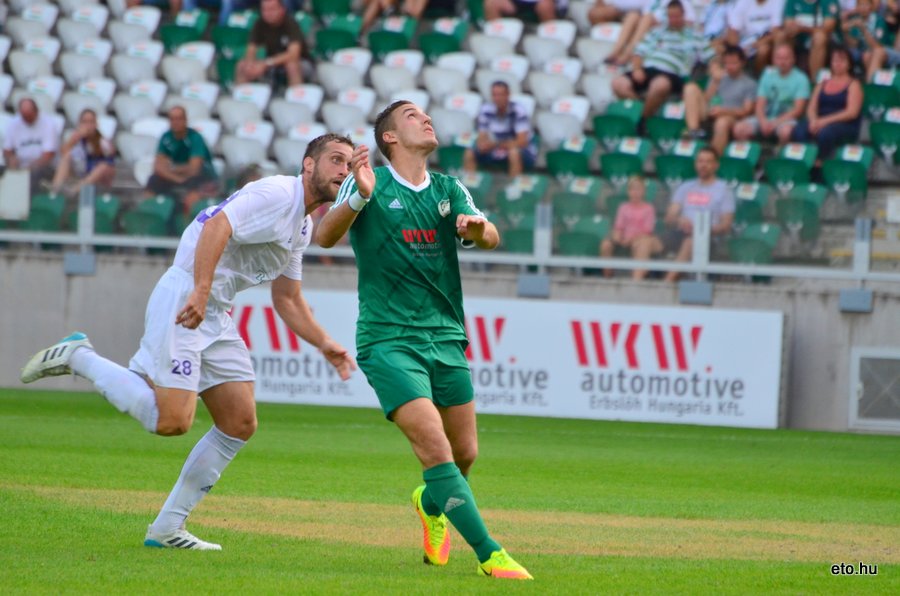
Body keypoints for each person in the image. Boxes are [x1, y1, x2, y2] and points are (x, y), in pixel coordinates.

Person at [21, 133, 357, 551]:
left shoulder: (302, 225)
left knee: (239, 421)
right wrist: (199, 290)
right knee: (172, 421)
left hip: (215, 310)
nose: (343, 170)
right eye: (335, 160)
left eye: (348, 164)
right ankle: (80, 356)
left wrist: (324, 343)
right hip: (188, 297)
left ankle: (166, 529)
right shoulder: (276, 193)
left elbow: (286, 298)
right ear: (308, 165)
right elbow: (217, 224)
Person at [315, 101, 532, 580]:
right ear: (389, 137)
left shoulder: (450, 188)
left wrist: (479, 230)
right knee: (435, 448)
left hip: (446, 334)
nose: (426, 118)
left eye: (426, 114)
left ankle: (430, 504)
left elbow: (491, 234)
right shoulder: (368, 181)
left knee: (465, 453)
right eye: (412, 115)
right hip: (388, 339)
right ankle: (490, 554)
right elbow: (324, 236)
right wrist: (357, 198)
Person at [611, 0, 714, 121]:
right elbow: (638, 53)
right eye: (670, 16)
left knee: (660, 84)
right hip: (648, 69)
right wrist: (637, 69)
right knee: (618, 84)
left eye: (676, 16)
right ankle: (643, 110)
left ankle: (643, 119)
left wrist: (715, 67)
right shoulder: (656, 32)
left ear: (683, 15)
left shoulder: (694, 36)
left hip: (673, 74)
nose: (673, 20)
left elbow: (711, 57)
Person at [663, 147, 735, 283]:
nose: (703, 165)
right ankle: (636, 285)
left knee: (691, 242)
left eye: (708, 162)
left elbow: (726, 225)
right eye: (700, 161)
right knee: (645, 241)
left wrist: (703, 229)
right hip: (680, 233)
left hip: (709, 238)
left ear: (716, 165)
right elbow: (669, 217)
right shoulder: (685, 187)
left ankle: (665, 284)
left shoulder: (724, 190)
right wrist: (680, 220)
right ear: (696, 164)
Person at [790, 45, 863, 161]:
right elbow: (811, 107)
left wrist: (824, 121)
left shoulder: (854, 85)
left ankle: (822, 162)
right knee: (800, 129)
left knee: (826, 133)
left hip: (843, 124)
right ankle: (803, 161)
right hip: (820, 120)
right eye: (835, 60)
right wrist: (814, 120)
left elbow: (851, 113)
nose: (838, 63)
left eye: (842, 60)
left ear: (849, 64)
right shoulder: (822, 83)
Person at [682, 45, 758, 154]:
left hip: (732, 116)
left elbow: (747, 111)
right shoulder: (719, 76)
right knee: (690, 88)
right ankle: (694, 131)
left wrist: (723, 111)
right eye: (726, 63)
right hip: (711, 111)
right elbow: (707, 99)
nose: (729, 66)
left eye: (733, 63)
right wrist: (715, 82)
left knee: (722, 122)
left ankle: (714, 157)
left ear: (742, 63)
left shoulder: (750, 84)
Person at [146, 106, 219, 217]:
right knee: (153, 181)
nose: (175, 122)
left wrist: (172, 168)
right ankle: (151, 217)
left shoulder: (195, 137)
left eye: (179, 119)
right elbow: (158, 167)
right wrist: (178, 178)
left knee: (194, 186)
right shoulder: (166, 137)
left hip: (202, 176)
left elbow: (195, 169)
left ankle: (187, 221)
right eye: (172, 119)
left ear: (185, 120)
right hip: (177, 177)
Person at [732, 43, 810, 146]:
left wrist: (775, 123)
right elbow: (760, 105)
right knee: (739, 129)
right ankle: (749, 157)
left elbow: (797, 110)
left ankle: (779, 157)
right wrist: (763, 121)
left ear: (793, 59)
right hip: (765, 117)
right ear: (773, 60)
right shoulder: (767, 74)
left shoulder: (801, 78)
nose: (782, 62)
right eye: (779, 58)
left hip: (786, 119)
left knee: (785, 132)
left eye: (786, 58)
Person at [463, 81, 537, 179]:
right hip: (496, 148)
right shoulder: (486, 110)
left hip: (522, 150)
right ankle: (467, 189)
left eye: (500, 95)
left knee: (513, 153)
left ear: (507, 95)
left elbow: (522, 141)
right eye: (494, 95)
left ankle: (512, 189)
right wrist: (482, 144)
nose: (497, 98)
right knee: (470, 152)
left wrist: (495, 144)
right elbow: (482, 135)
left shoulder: (518, 111)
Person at [601, 175, 663, 280]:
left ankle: (636, 280)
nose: (635, 192)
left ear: (643, 191)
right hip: (624, 239)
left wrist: (630, 239)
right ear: (628, 192)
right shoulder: (623, 207)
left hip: (641, 238)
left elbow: (648, 230)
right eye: (632, 189)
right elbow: (618, 226)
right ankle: (608, 276)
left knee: (641, 245)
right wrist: (618, 236)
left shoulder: (648, 208)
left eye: (638, 189)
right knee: (606, 244)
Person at [236, 0, 304, 88]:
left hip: (300, 62)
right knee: (242, 65)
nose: (268, 13)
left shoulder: (290, 23)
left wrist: (266, 64)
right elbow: (251, 49)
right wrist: (250, 64)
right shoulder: (259, 23)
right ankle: (242, 97)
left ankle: (297, 98)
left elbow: (293, 54)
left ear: (282, 10)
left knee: (291, 65)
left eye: (272, 9)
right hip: (270, 61)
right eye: (265, 10)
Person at [49, 109, 115, 196]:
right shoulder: (74, 138)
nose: (88, 125)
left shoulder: (102, 140)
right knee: (67, 157)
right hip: (80, 169)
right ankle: (55, 189)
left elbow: (109, 158)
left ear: (96, 124)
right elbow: (62, 153)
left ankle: (75, 190)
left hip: (97, 174)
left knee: (103, 167)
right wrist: (75, 139)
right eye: (85, 122)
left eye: (91, 122)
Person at [2, 97, 59, 190]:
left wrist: (30, 168)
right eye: (24, 116)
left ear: (36, 111)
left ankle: (28, 202)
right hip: (19, 165)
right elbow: (7, 150)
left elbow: (48, 155)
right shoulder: (14, 123)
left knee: (34, 175)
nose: (27, 119)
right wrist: (11, 158)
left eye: (29, 115)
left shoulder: (48, 124)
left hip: (42, 166)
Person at [843, 0, 900, 82]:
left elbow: (877, 47)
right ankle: (870, 84)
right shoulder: (855, 20)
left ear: (871, 6)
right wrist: (846, 33)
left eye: (866, 5)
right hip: (865, 52)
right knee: (866, 56)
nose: (863, 8)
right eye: (860, 5)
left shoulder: (879, 20)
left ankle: (870, 85)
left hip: (886, 52)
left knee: (876, 52)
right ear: (857, 7)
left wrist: (863, 30)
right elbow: (853, 45)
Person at [782, 0, 841, 78]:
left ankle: (815, 81)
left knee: (819, 37)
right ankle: (781, 78)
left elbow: (828, 27)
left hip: (826, 43)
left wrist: (803, 28)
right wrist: (792, 29)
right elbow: (788, 23)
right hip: (799, 40)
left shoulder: (830, 1)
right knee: (782, 35)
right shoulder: (792, 1)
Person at [724, 0, 785, 73]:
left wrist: (758, 43)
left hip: (767, 39)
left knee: (763, 50)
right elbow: (733, 29)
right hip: (746, 40)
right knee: (724, 47)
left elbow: (776, 30)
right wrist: (737, 49)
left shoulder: (777, 2)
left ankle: (758, 76)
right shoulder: (743, 2)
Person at [484, 0, 568, 22]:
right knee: (491, 3)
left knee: (545, 6)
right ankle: (497, 39)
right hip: (518, 2)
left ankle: (551, 38)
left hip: (542, 2)